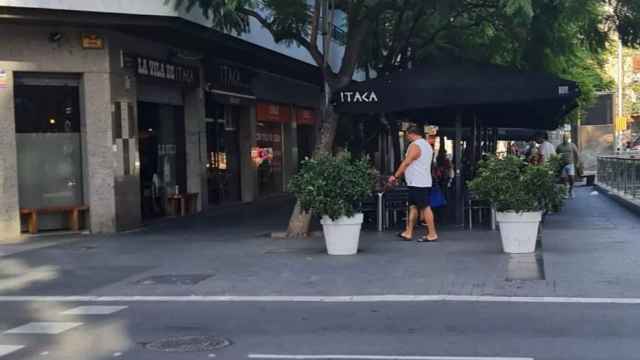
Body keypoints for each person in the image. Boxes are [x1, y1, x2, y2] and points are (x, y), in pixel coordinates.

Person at [388, 126, 438, 242]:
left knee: (425, 207)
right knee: (413, 207)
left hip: (418, 182)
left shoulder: (416, 145)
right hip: (420, 181)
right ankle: (408, 232)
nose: (407, 137)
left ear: (411, 134)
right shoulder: (427, 146)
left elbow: (406, 162)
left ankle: (432, 233)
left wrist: (395, 176)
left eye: (407, 135)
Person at [556, 134, 580, 198]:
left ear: (568, 138)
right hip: (562, 165)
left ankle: (571, 190)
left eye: (566, 138)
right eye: (564, 138)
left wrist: (577, 163)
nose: (565, 139)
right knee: (564, 179)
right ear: (562, 138)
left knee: (572, 178)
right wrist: (557, 164)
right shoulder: (559, 146)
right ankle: (566, 192)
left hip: (570, 164)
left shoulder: (572, 145)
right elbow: (556, 155)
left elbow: (577, 154)